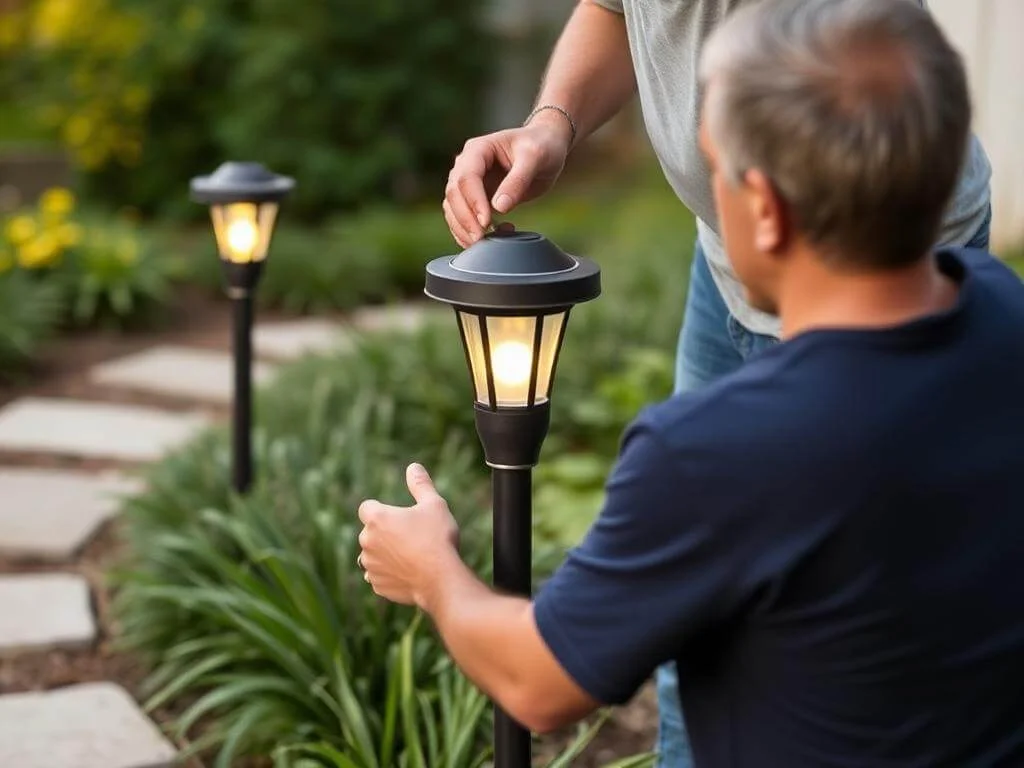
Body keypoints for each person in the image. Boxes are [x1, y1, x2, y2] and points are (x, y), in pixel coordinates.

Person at [359, 0, 1024, 764]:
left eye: (715, 166)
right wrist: (554, 121)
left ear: (766, 210)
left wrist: (434, 572)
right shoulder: (1002, 312)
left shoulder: (709, 454)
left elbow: (540, 684)